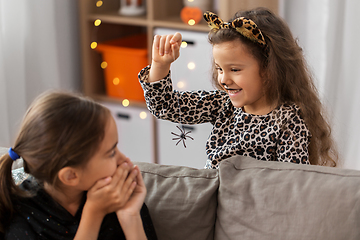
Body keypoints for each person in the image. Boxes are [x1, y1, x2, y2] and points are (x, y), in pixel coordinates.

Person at [138, 7, 338, 169]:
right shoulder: (222, 104)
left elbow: (291, 185)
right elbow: (165, 106)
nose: (223, 79)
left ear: (269, 68)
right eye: (219, 69)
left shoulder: (288, 121)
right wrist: (160, 66)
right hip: (213, 201)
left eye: (234, 69)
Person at [0, 91, 157, 240]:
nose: (125, 159)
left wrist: (131, 217)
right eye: (111, 153)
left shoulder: (120, 195)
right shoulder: (21, 213)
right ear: (70, 176)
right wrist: (94, 213)